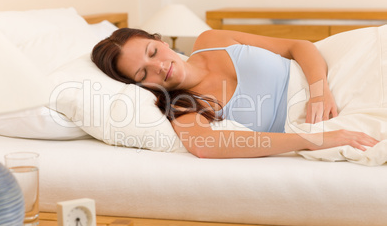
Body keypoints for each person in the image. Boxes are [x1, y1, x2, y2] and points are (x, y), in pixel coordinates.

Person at [91, 27, 379, 158]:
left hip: (331, 72)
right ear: (141, 86)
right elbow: (204, 146)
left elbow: (299, 46)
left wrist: (319, 91)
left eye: (152, 52)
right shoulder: (183, 108)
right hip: (324, 116)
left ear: (160, 40)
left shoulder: (211, 39)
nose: (159, 67)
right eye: (143, 74)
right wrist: (312, 140)